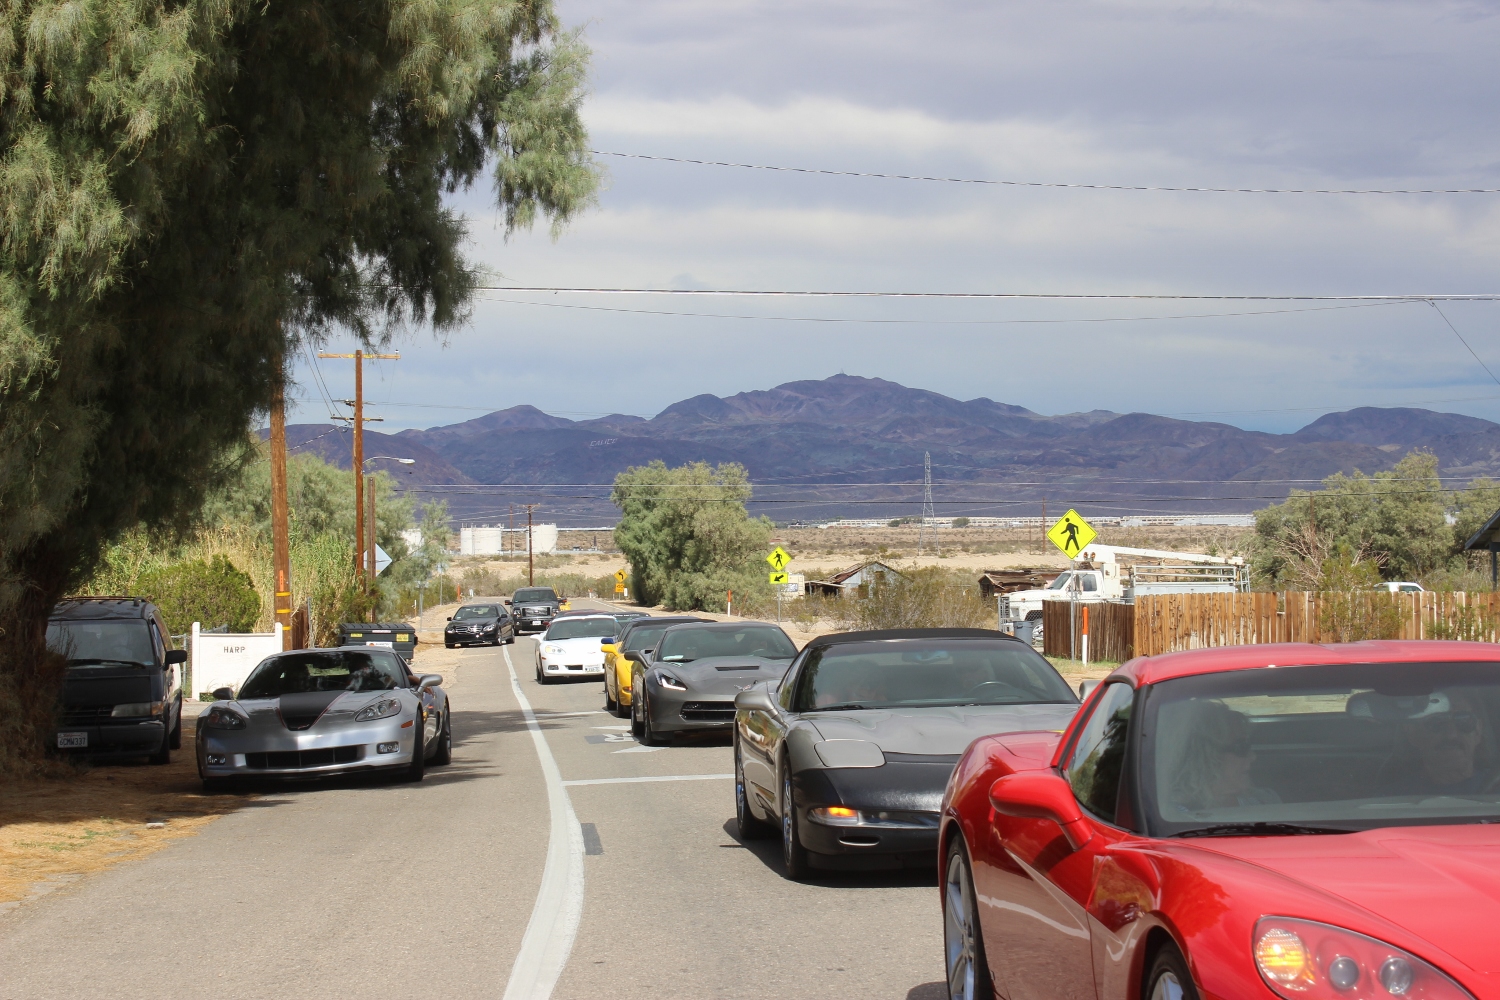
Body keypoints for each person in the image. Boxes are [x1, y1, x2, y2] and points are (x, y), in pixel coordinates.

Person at [1168, 700, 1280, 813]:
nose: (1253, 757)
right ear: (1205, 757)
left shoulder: (1265, 800)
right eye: (1241, 747)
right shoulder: (1172, 815)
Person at [1383, 690, 1494, 796]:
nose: (1451, 735)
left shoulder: (1496, 788)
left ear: (1478, 731)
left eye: (1463, 720)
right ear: (1412, 733)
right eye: (1436, 722)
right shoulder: (1387, 803)